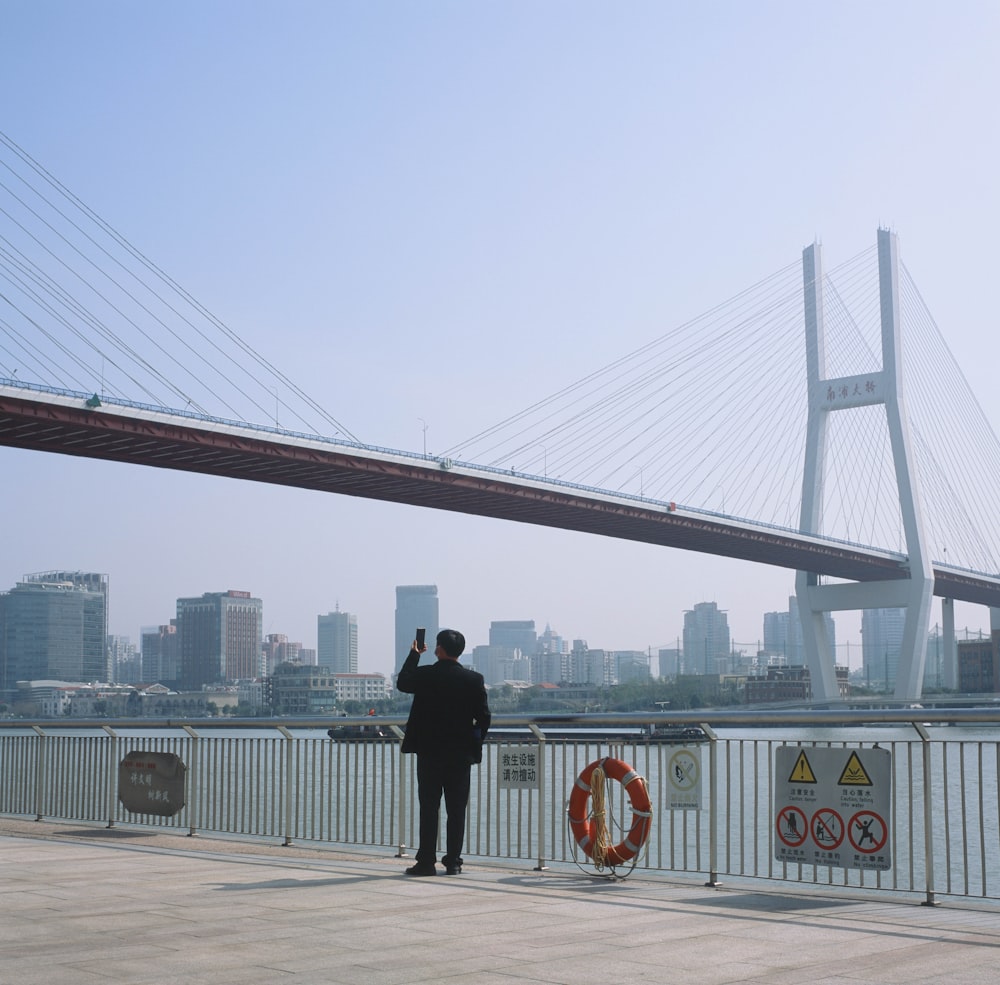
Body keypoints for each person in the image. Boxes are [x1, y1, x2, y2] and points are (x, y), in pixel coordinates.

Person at [396, 628, 491, 875]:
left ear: (438, 649)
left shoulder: (426, 676)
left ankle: (426, 861)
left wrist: (415, 654)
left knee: (429, 807)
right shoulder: (474, 679)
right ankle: (453, 862)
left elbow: (403, 682)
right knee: (457, 809)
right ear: (460, 651)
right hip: (460, 756)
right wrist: (474, 743)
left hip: (429, 753)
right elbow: (484, 718)